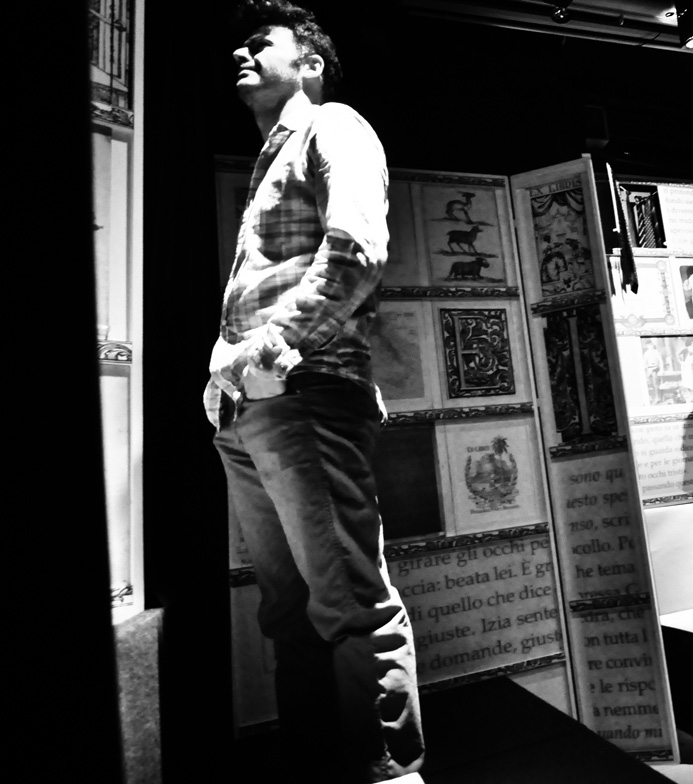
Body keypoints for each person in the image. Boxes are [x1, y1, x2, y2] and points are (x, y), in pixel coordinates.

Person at [205, 3, 424, 781]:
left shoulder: (333, 124)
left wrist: (269, 350)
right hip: (256, 405)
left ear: (310, 63)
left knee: (350, 603)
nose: (240, 51)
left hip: (304, 389)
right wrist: (225, 375)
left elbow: (356, 248)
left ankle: (389, 773)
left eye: (259, 42)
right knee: (290, 613)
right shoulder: (272, 155)